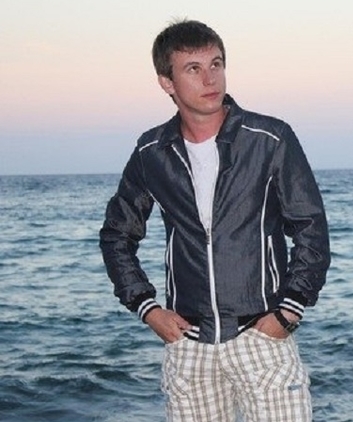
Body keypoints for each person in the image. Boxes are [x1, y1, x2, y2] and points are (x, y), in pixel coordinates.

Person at [99, 19, 330, 421]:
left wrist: (288, 312)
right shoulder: (152, 152)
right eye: (193, 68)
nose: (210, 78)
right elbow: (117, 236)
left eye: (216, 64)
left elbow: (311, 228)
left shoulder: (269, 138)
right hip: (189, 346)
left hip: (262, 338)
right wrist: (148, 309)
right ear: (167, 82)